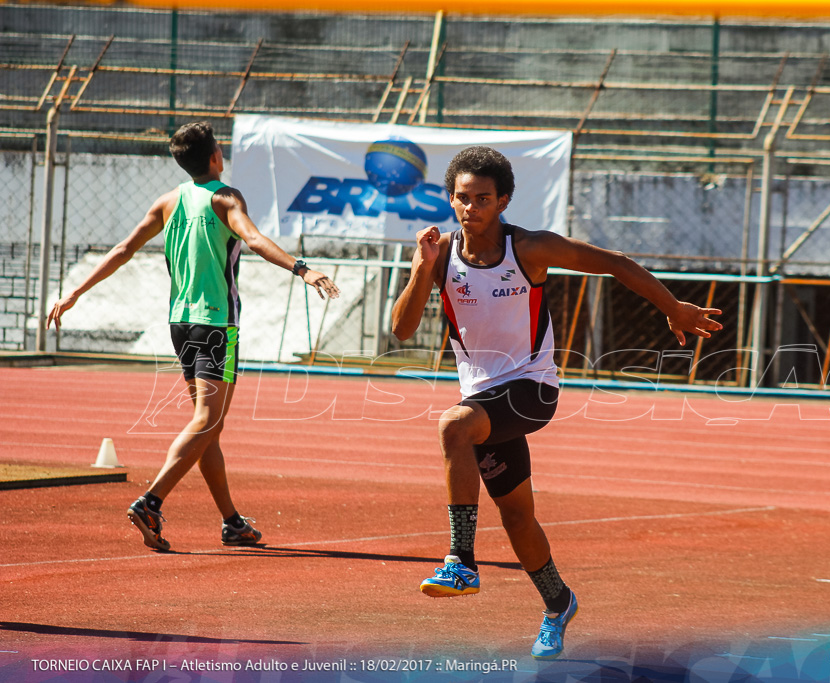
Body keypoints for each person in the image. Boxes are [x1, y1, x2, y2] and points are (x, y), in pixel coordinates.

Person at [391, 146, 723, 659]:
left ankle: (460, 560)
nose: (470, 208)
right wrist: (422, 268)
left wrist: (674, 308)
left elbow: (615, 263)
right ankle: (558, 603)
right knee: (517, 517)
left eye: (482, 199)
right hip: (485, 400)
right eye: (461, 198)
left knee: (453, 426)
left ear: (503, 200)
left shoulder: (530, 248)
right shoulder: (441, 256)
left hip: (532, 390)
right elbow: (402, 330)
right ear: (450, 199)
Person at [47, 121, 339, 552]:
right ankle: (151, 500)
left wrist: (74, 292)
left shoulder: (168, 201)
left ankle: (232, 522)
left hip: (179, 325)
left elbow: (123, 250)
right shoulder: (226, 197)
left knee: (209, 428)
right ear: (216, 157)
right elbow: (254, 239)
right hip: (218, 323)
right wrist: (303, 269)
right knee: (208, 420)